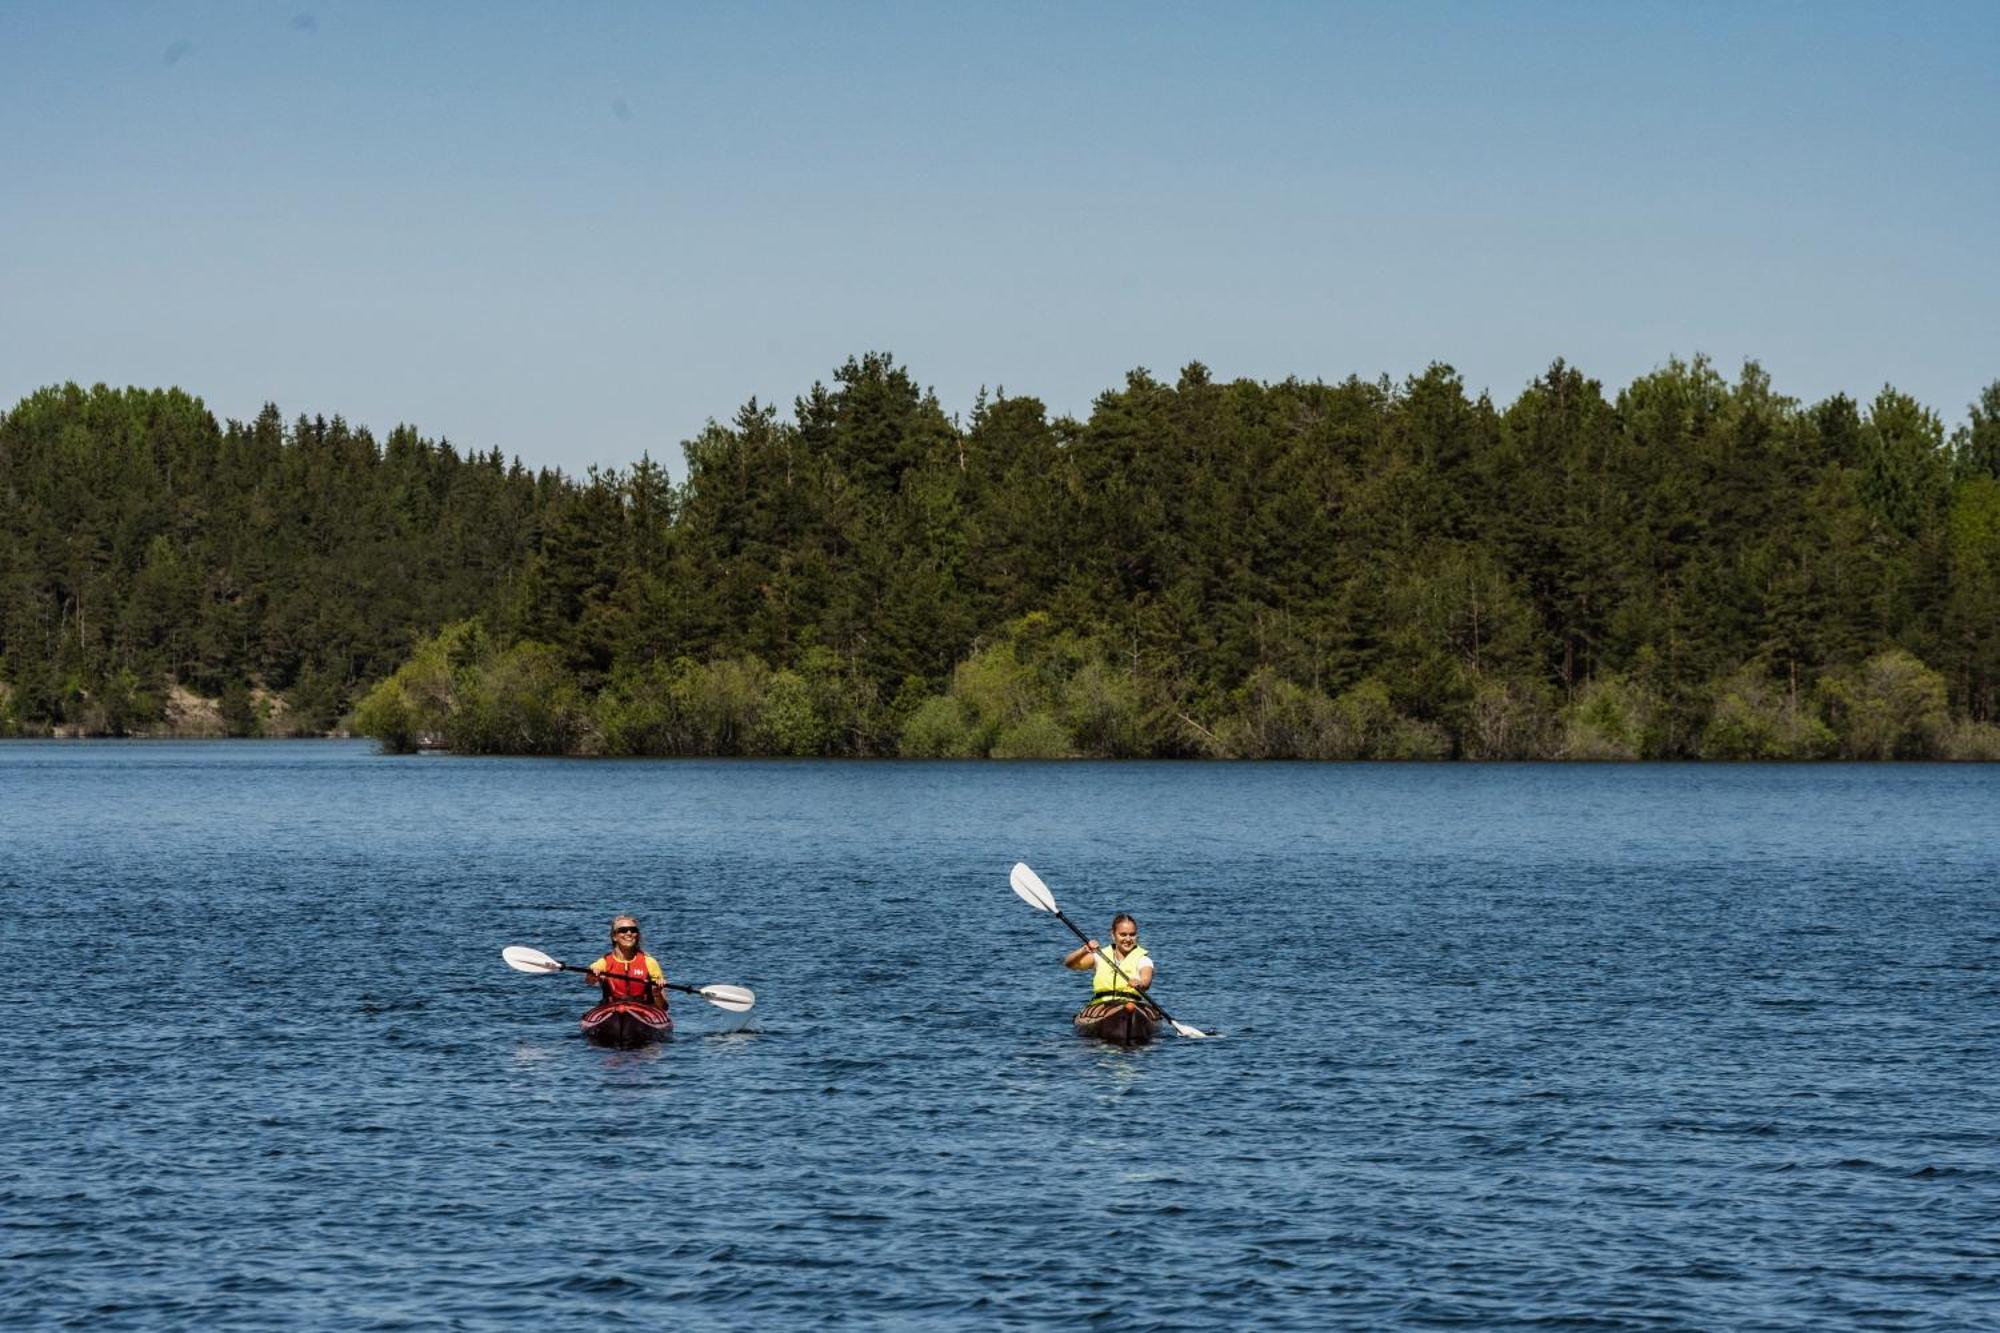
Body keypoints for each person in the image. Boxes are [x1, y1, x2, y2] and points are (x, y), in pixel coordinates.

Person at [1064, 913, 1154, 1001]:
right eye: (1123, 934)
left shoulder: (1143, 960)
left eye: (1132, 934)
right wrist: (1083, 950)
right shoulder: (1100, 956)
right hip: (1101, 1006)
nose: (1128, 939)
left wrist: (1140, 984)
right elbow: (1069, 963)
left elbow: (1146, 981)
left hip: (1130, 1005)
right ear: (1113, 935)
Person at [584, 914, 667, 1009]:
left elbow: (663, 1007)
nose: (629, 933)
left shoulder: (649, 962)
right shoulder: (604, 962)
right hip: (612, 1009)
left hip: (644, 1010)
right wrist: (592, 975)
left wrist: (657, 993)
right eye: (623, 930)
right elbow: (589, 981)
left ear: (637, 935)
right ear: (614, 936)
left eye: (633, 930)